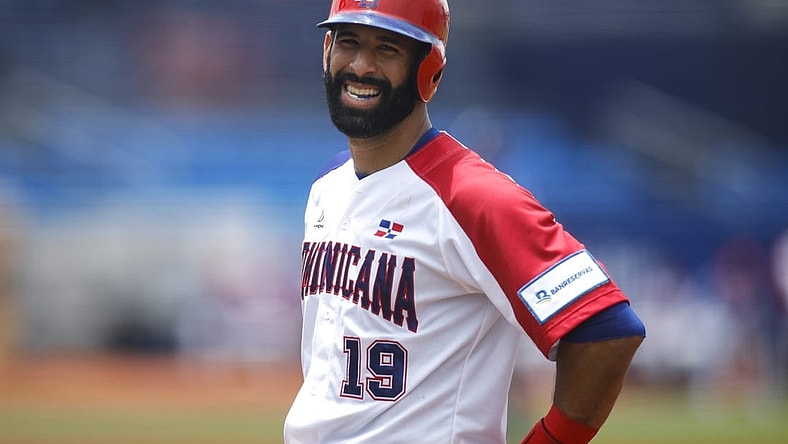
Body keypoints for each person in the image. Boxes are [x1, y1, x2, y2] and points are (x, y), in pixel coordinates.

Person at [284, 1, 645, 443]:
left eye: (388, 48)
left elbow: (607, 331)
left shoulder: (473, 197)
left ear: (429, 69)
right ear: (326, 50)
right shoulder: (329, 185)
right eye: (349, 42)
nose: (362, 64)